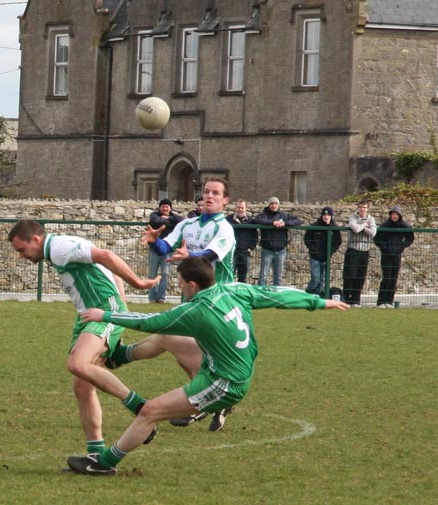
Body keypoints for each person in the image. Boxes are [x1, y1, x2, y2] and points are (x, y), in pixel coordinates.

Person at [67, 256, 349, 476]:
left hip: (224, 382)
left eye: (179, 282)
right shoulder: (234, 289)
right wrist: (317, 302)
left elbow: (147, 322)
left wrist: (104, 314)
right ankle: (120, 357)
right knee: (168, 338)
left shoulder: (196, 310)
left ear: (191, 285)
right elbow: (278, 294)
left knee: (151, 411)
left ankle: (104, 464)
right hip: (227, 364)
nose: (178, 286)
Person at [7, 220, 160, 460]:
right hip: (88, 316)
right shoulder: (57, 248)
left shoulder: (58, 247)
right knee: (81, 385)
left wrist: (137, 285)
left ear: (35, 239)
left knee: (77, 364)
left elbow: (106, 255)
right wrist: (122, 301)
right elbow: (101, 262)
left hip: (101, 311)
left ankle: (141, 406)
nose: (21, 256)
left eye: (21, 249)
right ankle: (96, 455)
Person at [112, 177, 236, 432]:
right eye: (206, 192)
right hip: (195, 298)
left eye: (216, 193)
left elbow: (211, 255)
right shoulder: (188, 225)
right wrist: (153, 240)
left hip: (220, 300)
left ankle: (119, 356)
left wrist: (191, 255)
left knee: (176, 339)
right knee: (180, 344)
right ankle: (209, 400)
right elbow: (164, 248)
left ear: (225, 201)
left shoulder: (224, 228)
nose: (209, 196)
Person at [374, 205, 414, 308]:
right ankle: (381, 301)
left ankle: (389, 301)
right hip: (386, 255)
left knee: (393, 278)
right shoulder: (385, 225)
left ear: (399, 215)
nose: (394, 216)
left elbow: (410, 238)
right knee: (386, 278)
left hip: (397, 255)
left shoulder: (404, 226)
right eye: (393, 214)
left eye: (396, 214)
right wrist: (384, 247)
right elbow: (377, 239)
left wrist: (402, 246)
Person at [254, 197, 301, 286]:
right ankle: (260, 295)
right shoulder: (264, 214)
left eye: (275, 203)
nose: (274, 205)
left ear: (278, 205)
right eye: (272, 203)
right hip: (267, 250)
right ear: (269, 205)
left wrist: (285, 223)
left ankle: (277, 296)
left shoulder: (284, 215)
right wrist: (272, 223)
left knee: (278, 277)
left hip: (281, 251)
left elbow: (298, 221)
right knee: (263, 276)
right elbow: (257, 220)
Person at [147, 198, 184, 303]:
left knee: (165, 274)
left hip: (167, 250)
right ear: (159, 207)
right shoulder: (154, 215)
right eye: (163, 206)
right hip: (154, 250)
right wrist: (165, 219)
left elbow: (182, 220)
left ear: (170, 208)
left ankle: (161, 298)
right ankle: (152, 298)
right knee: (152, 274)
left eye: (167, 206)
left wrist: (168, 218)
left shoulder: (174, 216)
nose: (165, 208)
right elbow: (155, 221)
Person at [342, 200, 377, 307]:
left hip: (364, 251)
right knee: (350, 275)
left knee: (360, 276)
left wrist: (363, 226)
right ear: (358, 208)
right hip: (353, 250)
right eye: (361, 207)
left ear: (367, 209)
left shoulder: (371, 219)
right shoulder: (353, 217)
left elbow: (373, 233)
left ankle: (356, 301)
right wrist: (365, 225)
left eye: (365, 207)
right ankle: (347, 299)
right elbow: (355, 229)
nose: (363, 209)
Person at [304, 206, 342, 296]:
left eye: (328, 215)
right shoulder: (314, 226)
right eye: (324, 215)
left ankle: (316, 297)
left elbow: (338, 242)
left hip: (326, 257)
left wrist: (330, 252)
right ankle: (307, 293)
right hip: (315, 257)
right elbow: (307, 239)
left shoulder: (334, 228)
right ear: (321, 215)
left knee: (323, 280)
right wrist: (314, 251)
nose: (326, 217)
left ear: (331, 216)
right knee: (316, 278)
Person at [226, 199, 258, 283]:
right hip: (232, 252)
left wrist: (251, 247)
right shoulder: (228, 220)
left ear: (246, 208)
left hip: (245, 252)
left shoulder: (251, 221)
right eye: (238, 207)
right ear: (235, 208)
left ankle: (240, 294)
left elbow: (255, 236)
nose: (240, 210)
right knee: (229, 275)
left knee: (242, 277)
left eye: (242, 208)